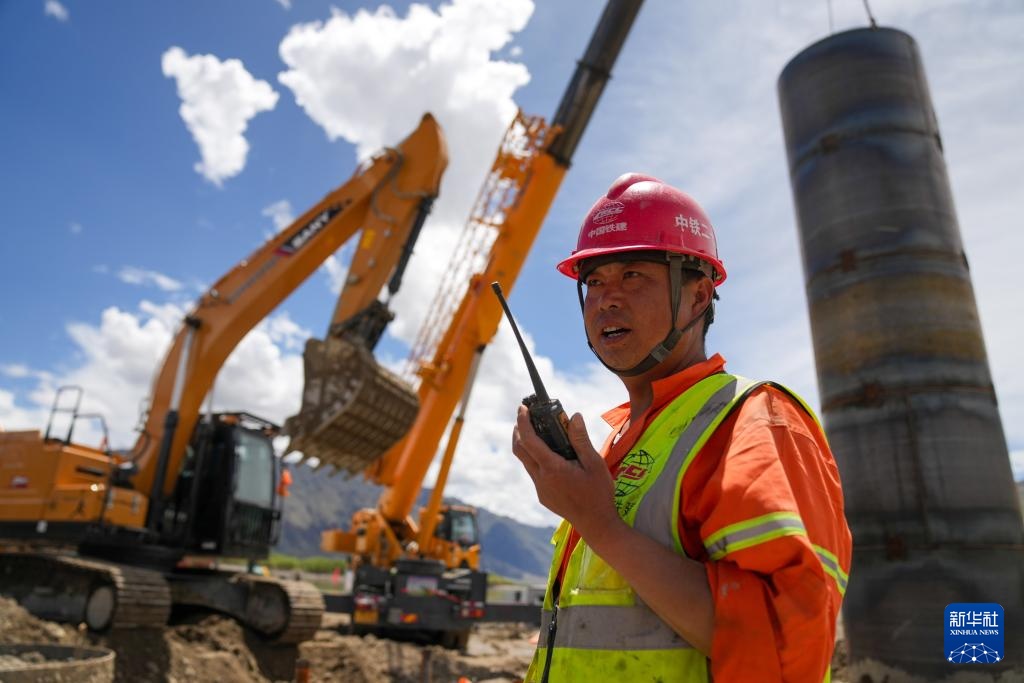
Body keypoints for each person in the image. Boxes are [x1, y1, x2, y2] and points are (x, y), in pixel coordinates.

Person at [511, 174, 852, 682]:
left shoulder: (753, 424)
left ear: (697, 297)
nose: (606, 299)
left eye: (632, 276)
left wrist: (599, 524)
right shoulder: (620, 440)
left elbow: (785, 647)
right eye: (595, 282)